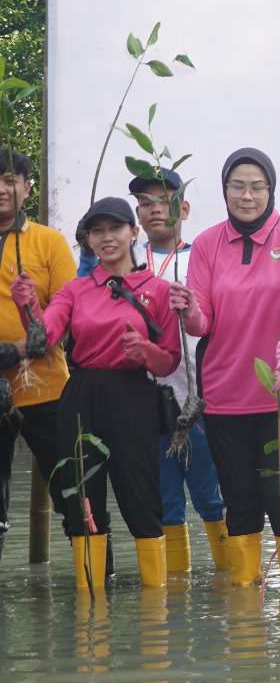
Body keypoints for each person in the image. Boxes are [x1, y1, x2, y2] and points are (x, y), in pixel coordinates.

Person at [12, 197, 181, 587]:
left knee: (140, 496)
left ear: (133, 232)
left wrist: (145, 351)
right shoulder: (75, 291)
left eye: (115, 228)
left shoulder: (157, 289)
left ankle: (154, 611)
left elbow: (168, 361)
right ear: (87, 239)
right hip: (82, 396)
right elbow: (45, 337)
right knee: (81, 498)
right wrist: (29, 307)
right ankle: (92, 606)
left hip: (134, 397)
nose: (107, 238)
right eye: (97, 231)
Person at [173, 150, 280, 587]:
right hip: (224, 392)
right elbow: (203, 324)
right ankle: (245, 612)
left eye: (257, 186)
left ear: (271, 189)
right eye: (238, 186)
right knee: (238, 499)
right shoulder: (207, 243)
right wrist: (190, 308)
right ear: (225, 191)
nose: (248, 195)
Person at [130, 169, 230, 574]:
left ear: (183, 209)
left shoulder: (202, 258)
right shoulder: (131, 263)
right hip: (148, 401)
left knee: (210, 495)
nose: (155, 210)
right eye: (146, 204)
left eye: (165, 202)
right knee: (165, 500)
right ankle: (172, 595)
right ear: (137, 214)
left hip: (200, 397)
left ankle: (230, 584)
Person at [0, 146, 74, 564]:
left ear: (26, 188)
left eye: (10, 179)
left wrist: (24, 340)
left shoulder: (49, 242)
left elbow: (67, 316)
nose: (2, 189)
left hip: (45, 386)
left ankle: (98, 591)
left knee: (74, 491)